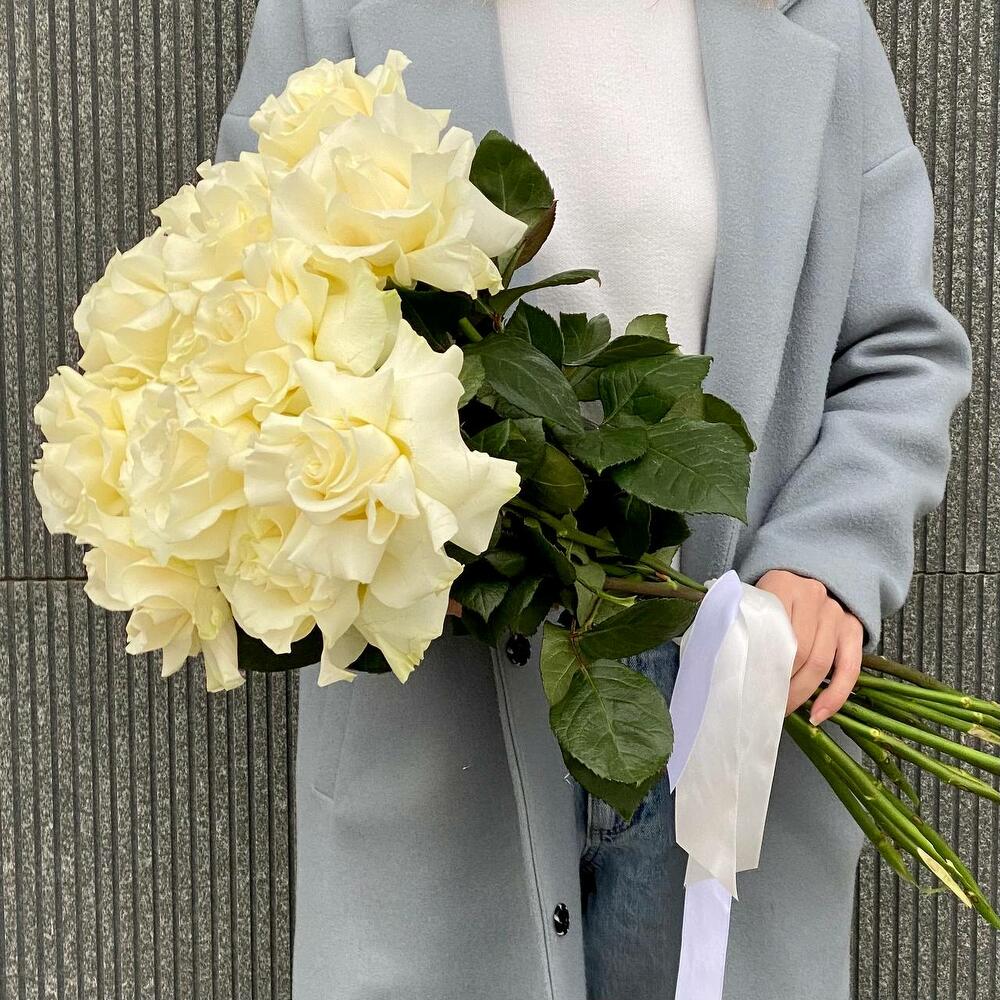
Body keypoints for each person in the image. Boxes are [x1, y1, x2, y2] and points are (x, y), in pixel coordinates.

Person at [214, 1, 972, 998]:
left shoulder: (808, 15)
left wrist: (827, 557)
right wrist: (390, 528)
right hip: (451, 714)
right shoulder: (330, 12)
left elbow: (896, 350)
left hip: (733, 690)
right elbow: (238, 323)